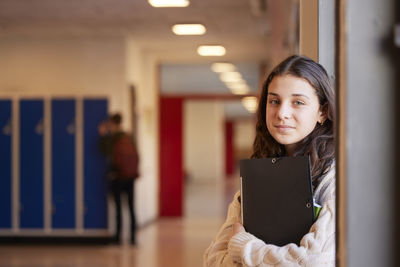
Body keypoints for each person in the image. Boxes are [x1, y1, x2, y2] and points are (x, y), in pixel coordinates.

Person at [204, 55, 336, 266]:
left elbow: (313, 262)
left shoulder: (334, 177)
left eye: (298, 102)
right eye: (274, 101)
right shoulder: (258, 174)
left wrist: (243, 246)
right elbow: (213, 259)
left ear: (323, 111)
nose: (282, 113)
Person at [98, 113, 139, 245]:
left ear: (112, 123)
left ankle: (118, 237)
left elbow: (105, 151)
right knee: (131, 207)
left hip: (118, 176)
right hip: (130, 177)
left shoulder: (114, 138)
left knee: (118, 208)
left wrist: (103, 135)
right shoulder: (129, 136)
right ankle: (133, 238)